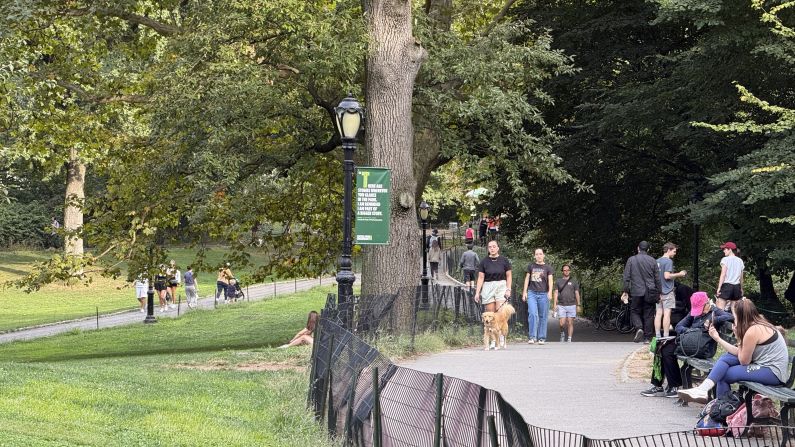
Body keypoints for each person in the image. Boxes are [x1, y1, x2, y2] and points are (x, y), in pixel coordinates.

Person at [678, 298, 788, 404]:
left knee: (724, 375)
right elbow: (740, 353)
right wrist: (717, 338)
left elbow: (744, 361)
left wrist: (739, 337)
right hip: (764, 366)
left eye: (734, 315)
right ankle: (703, 390)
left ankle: (723, 411)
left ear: (739, 316)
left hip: (773, 372)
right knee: (726, 358)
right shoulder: (756, 324)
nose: (733, 318)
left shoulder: (753, 330)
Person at [641, 291, 733, 398]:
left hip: (703, 347)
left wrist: (713, 320)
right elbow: (679, 326)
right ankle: (658, 385)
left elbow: (731, 317)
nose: (699, 312)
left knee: (667, 350)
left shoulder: (714, 311)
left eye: (700, 309)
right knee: (661, 346)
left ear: (707, 304)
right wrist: (690, 331)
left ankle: (674, 386)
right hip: (690, 342)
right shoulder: (694, 314)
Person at [621, 241, 662, 344]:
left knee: (634, 310)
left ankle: (639, 327)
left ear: (638, 248)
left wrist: (625, 290)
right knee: (649, 314)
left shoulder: (631, 260)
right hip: (650, 291)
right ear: (648, 249)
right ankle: (647, 338)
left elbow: (626, 277)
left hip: (636, 291)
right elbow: (657, 278)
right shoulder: (652, 260)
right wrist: (659, 292)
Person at [522, 248, 554, 344]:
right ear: (534, 256)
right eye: (537, 254)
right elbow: (527, 279)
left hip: (544, 293)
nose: (539, 256)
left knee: (543, 316)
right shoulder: (531, 266)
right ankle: (532, 337)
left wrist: (550, 292)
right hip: (532, 292)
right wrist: (525, 292)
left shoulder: (548, 268)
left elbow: (551, 281)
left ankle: (541, 338)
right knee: (532, 314)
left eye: (540, 254)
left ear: (543, 255)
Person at [655, 242, 687, 338]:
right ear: (669, 250)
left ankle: (657, 336)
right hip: (667, 291)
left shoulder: (657, 261)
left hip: (658, 292)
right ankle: (665, 335)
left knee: (658, 313)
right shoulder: (668, 261)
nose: (675, 253)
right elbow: (667, 276)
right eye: (674, 251)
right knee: (667, 314)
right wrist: (680, 274)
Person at [474, 240, 512, 314]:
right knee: (490, 315)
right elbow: (481, 278)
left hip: (501, 286)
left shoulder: (504, 260)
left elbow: (509, 276)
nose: (492, 248)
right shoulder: (484, 262)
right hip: (488, 287)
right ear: (488, 249)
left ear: (498, 248)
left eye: (494, 247)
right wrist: (477, 293)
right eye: (490, 247)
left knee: (501, 314)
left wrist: (508, 289)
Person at [553, 264, 580, 342]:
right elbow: (555, 293)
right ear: (562, 271)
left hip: (572, 304)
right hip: (561, 305)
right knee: (561, 323)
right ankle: (562, 333)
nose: (566, 271)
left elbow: (577, 293)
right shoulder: (558, 281)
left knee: (570, 322)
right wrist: (554, 305)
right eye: (564, 270)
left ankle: (569, 339)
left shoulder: (574, 281)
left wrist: (578, 305)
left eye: (568, 270)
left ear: (570, 271)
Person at [716, 241, 744, 311]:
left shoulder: (725, 259)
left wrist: (719, 287)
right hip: (737, 287)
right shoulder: (740, 260)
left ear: (730, 249)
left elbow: (723, 274)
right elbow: (741, 277)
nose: (723, 251)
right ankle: (737, 322)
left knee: (720, 311)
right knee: (735, 312)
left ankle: (721, 322)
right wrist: (741, 288)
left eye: (725, 249)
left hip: (727, 286)